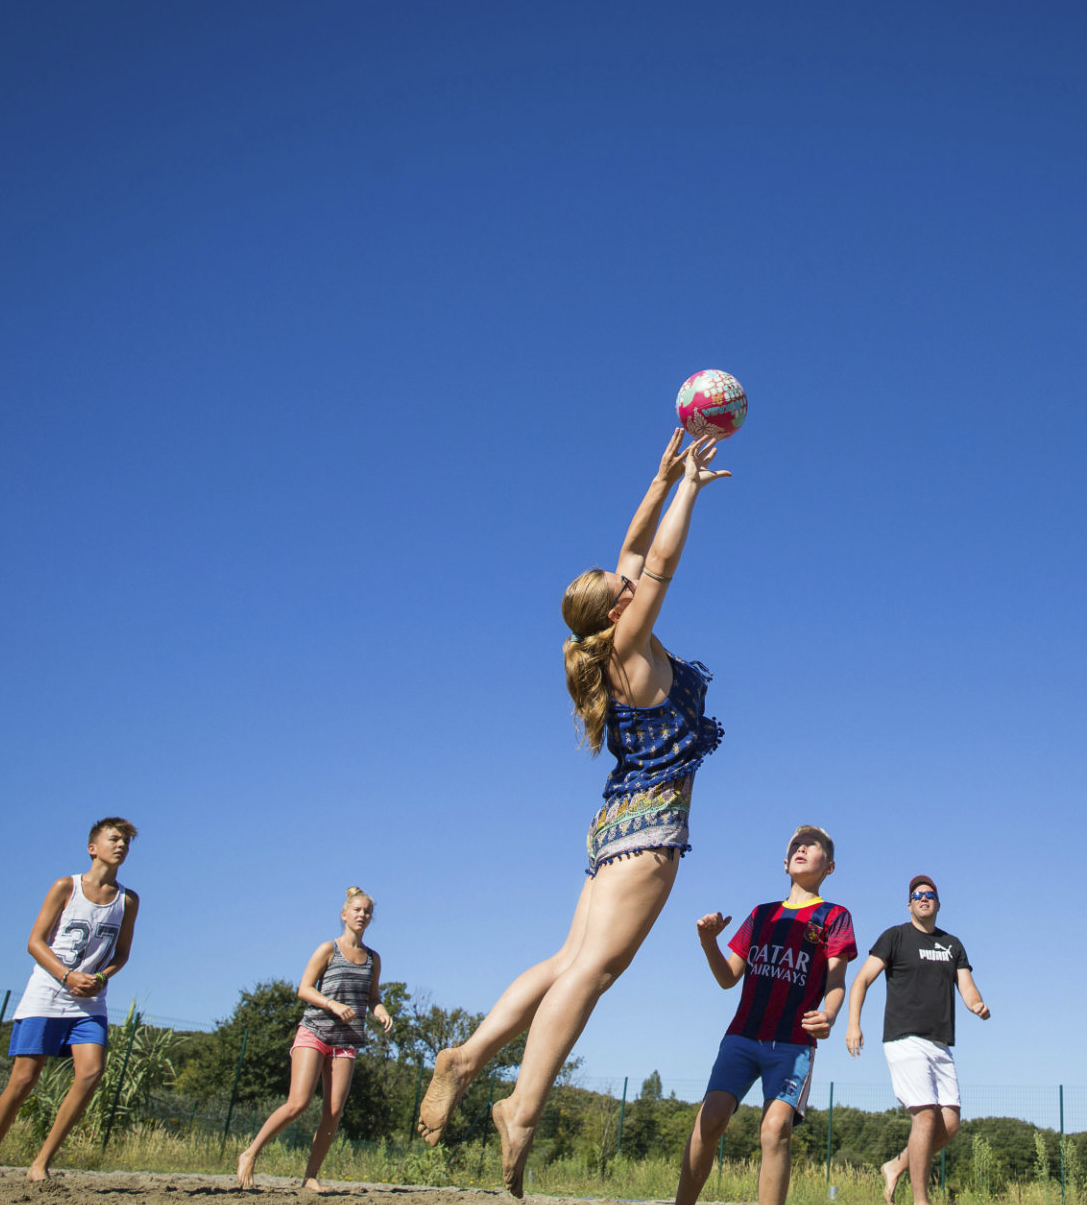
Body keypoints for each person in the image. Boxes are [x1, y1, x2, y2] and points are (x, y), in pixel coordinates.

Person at [416, 429, 731, 1196]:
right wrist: (691, 488)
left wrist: (659, 480)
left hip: (615, 823)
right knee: (593, 971)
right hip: (650, 827)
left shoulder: (611, 644)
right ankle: (521, 1107)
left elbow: (634, 550)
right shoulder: (630, 642)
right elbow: (659, 561)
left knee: (569, 961)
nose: (633, 580)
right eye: (625, 587)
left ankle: (467, 1055)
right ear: (617, 607)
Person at [673, 827, 857, 1205]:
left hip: (793, 1044)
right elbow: (728, 978)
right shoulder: (761, 915)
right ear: (785, 863)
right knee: (710, 1119)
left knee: (775, 1130)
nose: (802, 848)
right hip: (742, 1036)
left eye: (813, 845)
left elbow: (837, 980)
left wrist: (831, 1013)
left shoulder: (835, 916)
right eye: (796, 845)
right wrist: (708, 942)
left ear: (830, 866)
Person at [0, 818, 141, 1187]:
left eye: (126, 841)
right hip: (46, 995)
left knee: (91, 1072)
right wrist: (66, 975)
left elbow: (122, 954)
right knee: (23, 1080)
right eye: (114, 839)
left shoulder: (128, 900)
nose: (121, 845)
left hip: (90, 1004)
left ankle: (41, 1163)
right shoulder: (66, 886)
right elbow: (35, 942)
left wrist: (102, 978)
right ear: (92, 848)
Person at [236, 887, 394, 1193]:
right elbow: (304, 989)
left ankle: (310, 1176)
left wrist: (381, 1010)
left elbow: (373, 996)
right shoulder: (328, 949)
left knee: (333, 1113)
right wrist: (332, 1004)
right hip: (315, 1031)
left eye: (367, 912)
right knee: (298, 1103)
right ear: (344, 915)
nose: (362, 915)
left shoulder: (373, 959)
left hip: (346, 1040)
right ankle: (250, 1153)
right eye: (357, 910)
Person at [846, 874, 991, 1205]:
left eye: (929, 894)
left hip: (941, 1043)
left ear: (938, 904)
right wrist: (854, 1024)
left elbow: (967, 986)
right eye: (916, 895)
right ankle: (920, 1200)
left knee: (949, 1124)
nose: (923, 898)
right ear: (909, 904)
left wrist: (977, 1004)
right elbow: (862, 980)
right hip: (904, 1038)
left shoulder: (952, 944)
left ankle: (895, 1166)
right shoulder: (895, 937)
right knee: (924, 1116)